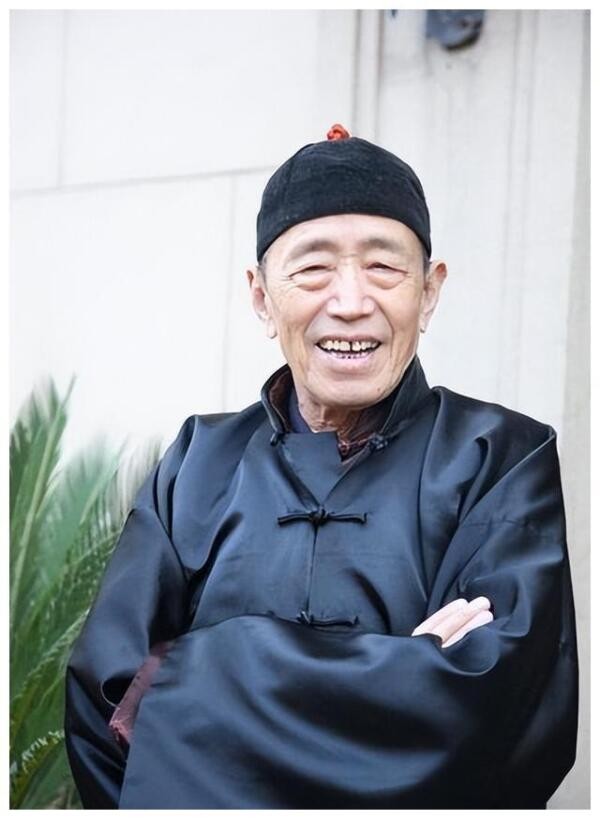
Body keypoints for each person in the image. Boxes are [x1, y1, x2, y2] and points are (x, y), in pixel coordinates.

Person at [64, 124, 579, 809]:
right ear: (261, 296)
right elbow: (104, 708)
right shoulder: (197, 462)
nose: (351, 302)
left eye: (385, 267)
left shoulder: (502, 457)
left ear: (429, 292)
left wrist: (187, 675)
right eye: (313, 269)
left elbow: (502, 715)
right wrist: (404, 677)